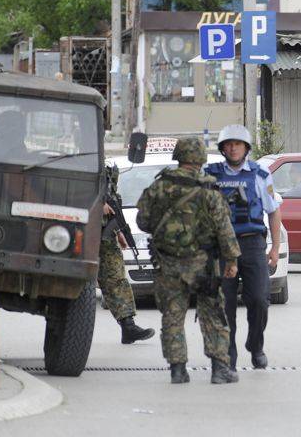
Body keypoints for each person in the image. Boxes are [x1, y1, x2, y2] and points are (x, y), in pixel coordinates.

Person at [137, 137, 241, 384]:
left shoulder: (160, 186)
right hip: (203, 264)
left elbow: (142, 221)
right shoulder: (209, 190)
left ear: (179, 156)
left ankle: (178, 370)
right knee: (213, 314)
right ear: (201, 158)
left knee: (172, 316)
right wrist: (232, 260)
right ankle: (219, 369)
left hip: (168, 263)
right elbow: (224, 229)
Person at [205, 125, 282, 370]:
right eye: (228, 144)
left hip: (252, 244)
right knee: (224, 305)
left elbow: (273, 211)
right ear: (222, 149)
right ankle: (229, 355)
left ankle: (255, 345)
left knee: (259, 300)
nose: (233, 148)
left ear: (246, 147)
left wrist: (275, 248)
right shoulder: (211, 175)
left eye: (238, 144)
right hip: (221, 249)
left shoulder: (260, 174)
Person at [99, 167, 155, 345]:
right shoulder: (80, 159)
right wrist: (96, 204)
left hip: (103, 233)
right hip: (78, 229)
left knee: (116, 277)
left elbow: (111, 200)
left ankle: (128, 326)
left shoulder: (102, 165)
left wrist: (117, 231)